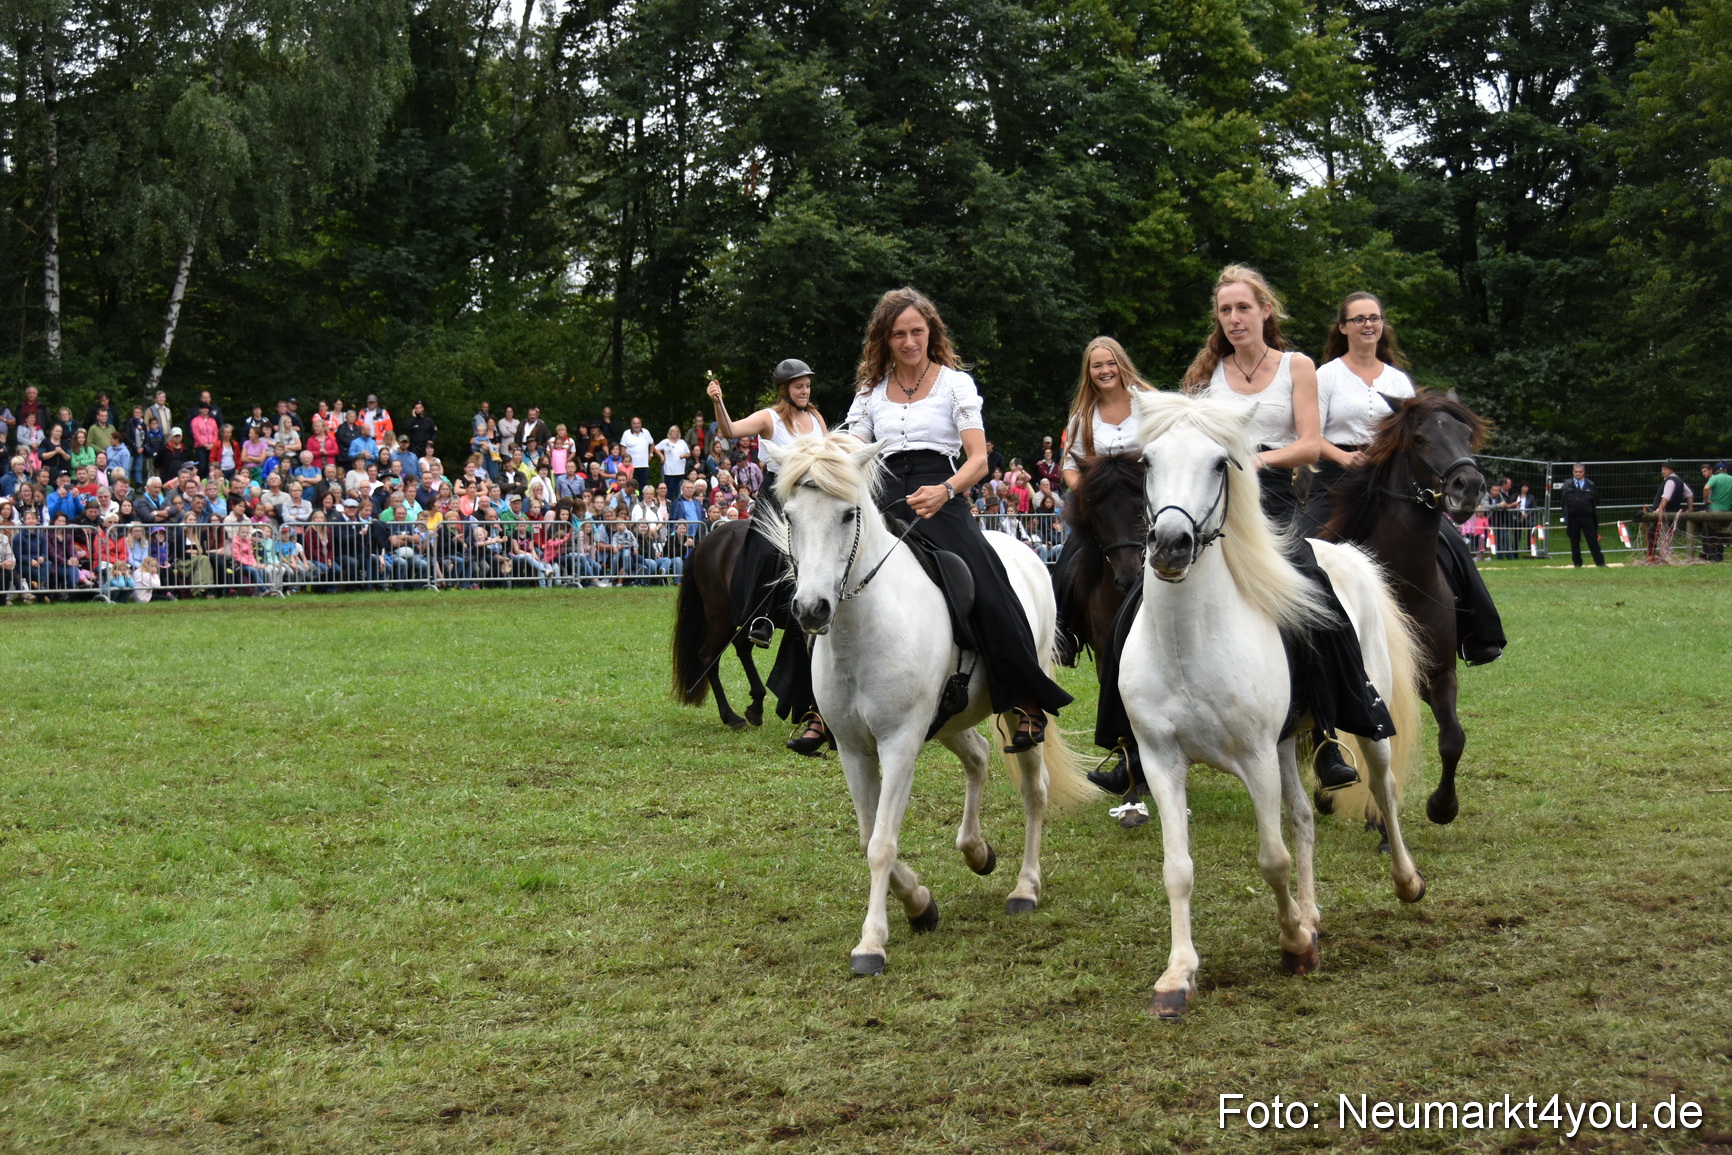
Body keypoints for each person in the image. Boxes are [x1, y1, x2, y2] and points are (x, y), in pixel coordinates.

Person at [814, 287, 1072, 758]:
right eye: (899, 334)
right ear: (884, 339)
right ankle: (815, 707)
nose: (909, 341)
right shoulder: (870, 391)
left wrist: (947, 490)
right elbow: (852, 450)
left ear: (930, 332)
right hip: (882, 493)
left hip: (942, 491)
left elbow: (977, 458)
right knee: (821, 572)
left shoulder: (956, 384)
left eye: (917, 331)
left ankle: (1025, 697)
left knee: (987, 576)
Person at [707, 359, 830, 651]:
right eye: (799, 386)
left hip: (812, 493)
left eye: (808, 386)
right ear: (784, 389)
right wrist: (718, 401)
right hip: (777, 492)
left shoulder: (816, 417)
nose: (805, 391)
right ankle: (760, 618)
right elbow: (731, 430)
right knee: (766, 549)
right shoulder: (768, 418)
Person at [1187, 265, 1321, 525]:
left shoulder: (1297, 366)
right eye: (1225, 310)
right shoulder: (1207, 372)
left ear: (1265, 311)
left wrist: (1259, 460)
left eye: (1243, 307)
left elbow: (1311, 447)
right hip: (1214, 495)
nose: (1233, 318)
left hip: (1274, 494)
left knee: (1304, 566)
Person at [1703, 461, 1732, 562]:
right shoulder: (1731, 479)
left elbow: (1706, 488)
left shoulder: (1714, 478)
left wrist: (1706, 501)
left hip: (1714, 510)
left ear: (1715, 471)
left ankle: (1712, 556)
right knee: (1721, 533)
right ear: (1726, 470)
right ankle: (1720, 555)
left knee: (1711, 533)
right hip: (1727, 511)